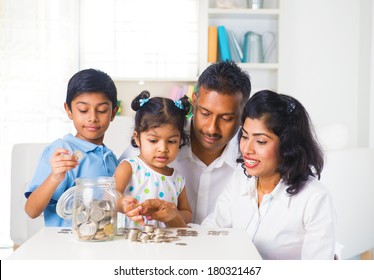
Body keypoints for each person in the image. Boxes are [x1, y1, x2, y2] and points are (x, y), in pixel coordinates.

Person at [200, 90, 337, 259]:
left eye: (261, 141)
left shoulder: (315, 198)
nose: (247, 149)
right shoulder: (239, 179)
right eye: (244, 136)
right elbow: (212, 229)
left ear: (287, 147)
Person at [119, 61, 251, 223]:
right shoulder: (140, 153)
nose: (211, 128)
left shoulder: (250, 158)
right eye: (205, 113)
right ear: (194, 100)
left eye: (226, 118)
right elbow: (109, 196)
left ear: (243, 113)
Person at [24, 68, 119, 227]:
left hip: (102, 244)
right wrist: (55, 177)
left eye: (102, 110)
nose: (93, 118)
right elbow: (31, 211)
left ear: (113, 113)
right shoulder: (61, 151)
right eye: (83, 110)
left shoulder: (110, 157)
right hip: (66, 247)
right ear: (68, 110)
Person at [115, 90, 192, 228]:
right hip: (131, 245)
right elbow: (110, 196)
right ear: (137, 138)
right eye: (153, 140)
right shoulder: (130, 167)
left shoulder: (178, 179)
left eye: (172, 141)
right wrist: (122, 204)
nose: (163, 148)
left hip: (167, 245)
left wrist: (174, 213)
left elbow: (187, 213)